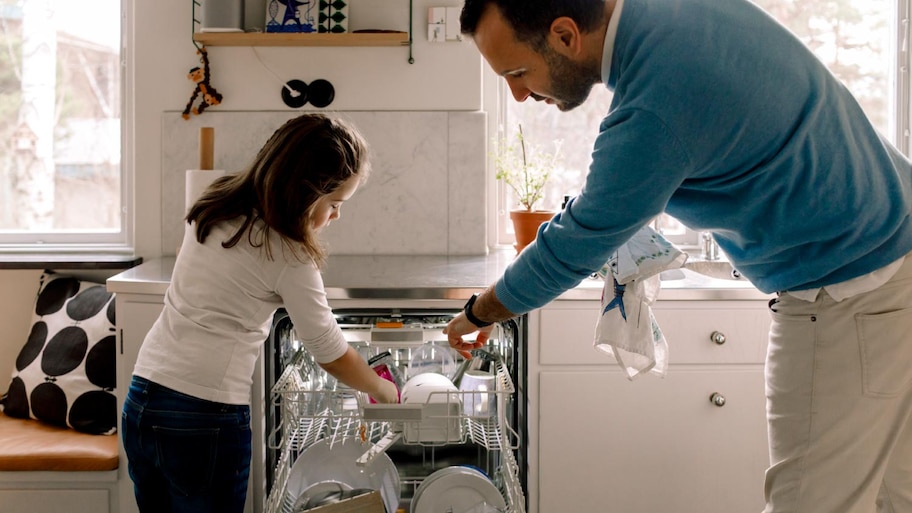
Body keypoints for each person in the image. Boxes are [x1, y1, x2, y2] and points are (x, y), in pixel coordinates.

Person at [443, 1, 912, 512]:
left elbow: (574, 244)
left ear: (564, 35)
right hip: (895, 257)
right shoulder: (676, 14)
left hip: (851, 290)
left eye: (517, 72)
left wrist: (478, 312)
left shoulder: (656, 107)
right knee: (895, 494)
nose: (518, 93)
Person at [121, 113, 398, 513]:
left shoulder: (215, 202)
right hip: (203, 416)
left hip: (144, 397)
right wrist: (380, 389)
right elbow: (330, 352)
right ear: (306, 191)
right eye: (334, 203)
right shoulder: (287, 252)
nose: (337, 215)